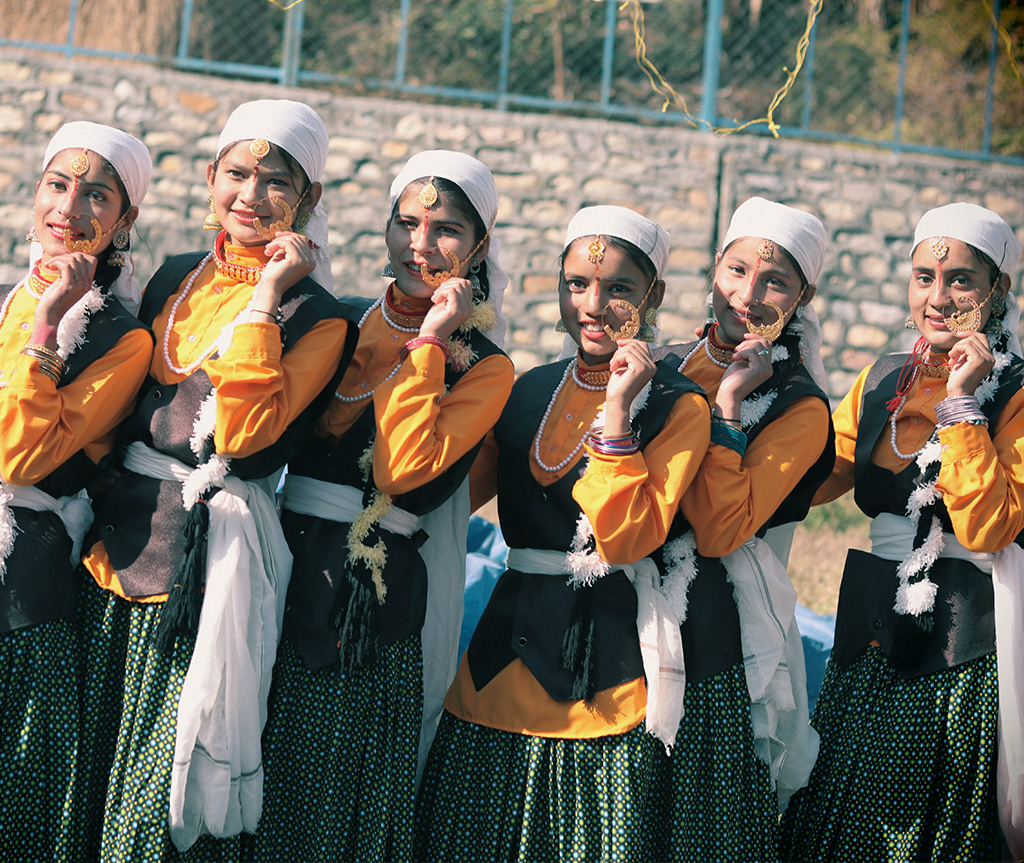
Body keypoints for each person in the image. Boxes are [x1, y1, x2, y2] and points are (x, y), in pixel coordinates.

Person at [76, 99, 356, 861]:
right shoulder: (170, 276)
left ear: (309, 202)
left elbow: (240, 434)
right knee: (89, 773)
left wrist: (265, 297)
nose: (251, 194)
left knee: (159, 787)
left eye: (276, 183)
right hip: (108, 555)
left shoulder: (318, 317)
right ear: (210, 176)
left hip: (202, 576)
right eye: (237, 172)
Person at [414, 205, 711, 862]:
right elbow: (442, 494)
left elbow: (627, 536)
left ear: (653, 295)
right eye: (577, 284)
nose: (593, 304)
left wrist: (615, 412)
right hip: (495, 672)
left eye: (618, 288)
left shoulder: (678, 405)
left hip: (606, 684)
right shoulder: (527, 387)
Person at [253, 150, 515, 863]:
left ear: (479, 246)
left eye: (446, 230)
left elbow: (406, 472)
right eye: (406, 223)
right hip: (273, 572)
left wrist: (430, 341)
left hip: (365, 604)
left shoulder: (483, 365)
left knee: (328, 797)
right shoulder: (334, 319)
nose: (420, 245)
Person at [779, 202, 1024, 861]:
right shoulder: (885, 377)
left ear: (999, 290)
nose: (936, 298)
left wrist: (966, 405)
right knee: (841, 802)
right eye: (923, 277)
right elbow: (806, 478)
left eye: (960, 281)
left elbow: (990, 522)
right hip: (871, 630)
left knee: (923, 817)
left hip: (962, 642)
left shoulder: (1017, 394)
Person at [646, 197, 834, 860]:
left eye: (774, 280)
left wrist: (726, 407)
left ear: (803, 295)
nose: (746, 294)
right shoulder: (663, 362)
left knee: (695, 820)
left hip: (716, 635)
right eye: (736, 269)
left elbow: (723, 530)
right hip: (630, 614)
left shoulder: (800, 405)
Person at [0, 121, 154, 863]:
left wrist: (45, 327)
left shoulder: (122, 339)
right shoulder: (7, 294)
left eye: (98, 195)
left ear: (124, 221)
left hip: (24, 593)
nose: (71, 207)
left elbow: (23, 454)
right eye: (58, 185)